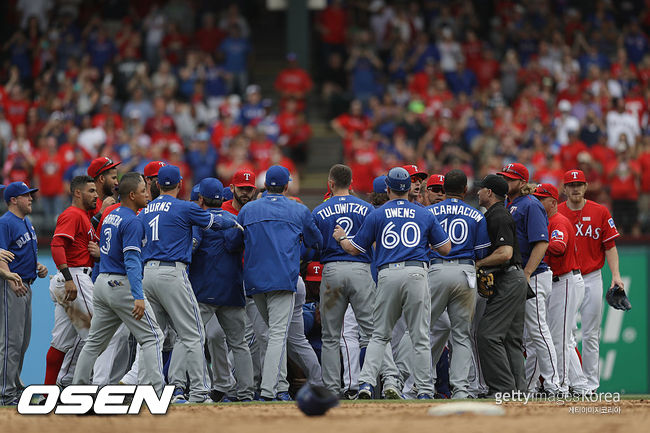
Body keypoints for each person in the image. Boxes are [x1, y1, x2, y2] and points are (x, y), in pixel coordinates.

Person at [334, 167, 451, 399]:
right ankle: (425, 390)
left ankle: (366, 384)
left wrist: (342, 237)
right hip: (416, 273)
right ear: (409, 188)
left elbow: (354, 249)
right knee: (420, 336)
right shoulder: (424, 213)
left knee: (379, 335)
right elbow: (446, 248)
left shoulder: (377, 214)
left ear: (388, 189)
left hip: (387, 274)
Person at [139, 164, 238, 403]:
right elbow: (214, 222)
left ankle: (150, 391)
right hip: (172, 272)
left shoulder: (144, 210)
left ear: (157, 184)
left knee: (152, 337)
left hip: (147, 273)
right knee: (193, 333)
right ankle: (199, 392)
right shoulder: (184, 207)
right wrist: (233, 222)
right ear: (180, 184)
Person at [312, 164, 403, 399]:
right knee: (374, 333)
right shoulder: (366, 208)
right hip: (361, 269)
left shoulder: (320, 209)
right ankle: (390, 379)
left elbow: (313, 245)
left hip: (332, 270)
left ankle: (332, 390)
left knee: (330, 337)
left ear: (330, 183)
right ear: (351, 183)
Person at [72, 173, 165, 393]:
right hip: (121, 284)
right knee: (154, 337)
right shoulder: (133, 221)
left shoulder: (111, 215)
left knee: (94, 343)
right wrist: (138, 295)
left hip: (102, 283)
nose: (147, 194)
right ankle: (157, 392)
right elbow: (131, 260)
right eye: (143, 191)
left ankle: (77, 390)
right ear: (132, 195)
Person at [237, 165, 323, 401]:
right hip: (283, 279)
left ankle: (280, 387)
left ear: (265, 186)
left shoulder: (248, 209)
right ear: (287, 186)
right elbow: (317, 241)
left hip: (253, 282)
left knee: (271, 335)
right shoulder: (298, 209)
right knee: (276, 335)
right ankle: (269, 390)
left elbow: (234, 241)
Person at [183, 177, 254, 402]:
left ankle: (178, 386)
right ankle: (245, 393)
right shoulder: (234, 220)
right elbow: (235, 245)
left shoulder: (197, 223)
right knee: (239, 344)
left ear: (200, 199)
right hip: (232, 290)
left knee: (189, 339)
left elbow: (190, 252)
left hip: (203, 291)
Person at [426, 169, 491, 399]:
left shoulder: (429, 212)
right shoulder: (476, 215)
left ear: (444, 189)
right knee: (462, 334)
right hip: (465, 272)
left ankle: (421, 385)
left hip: (436, 270)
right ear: (466, 189)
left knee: (423, 330)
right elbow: (482, 252)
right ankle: (461, 389)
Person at [45, 175, 114, 387]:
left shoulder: (83, 216)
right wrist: (68, 278)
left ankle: (48, 393)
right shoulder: (72, 214)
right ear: (77, 192)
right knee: (98, 337)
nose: (95, 195)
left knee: (61, 343)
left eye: (95, 191)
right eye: (91, 191)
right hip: (74, 276)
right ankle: (92, 387)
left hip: (73, 278)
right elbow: (57, 245)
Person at [558, 169, 623, 394]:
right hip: (567, 278)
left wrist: (616, 275)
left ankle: (590, 386)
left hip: (592, 277)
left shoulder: (600, 211)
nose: (575, 188)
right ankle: (568, 382)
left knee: (591, 334)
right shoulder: (557, 212)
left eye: (579, 184)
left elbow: (610, 246)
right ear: (564, 188)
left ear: (586, 187)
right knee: (565, 333)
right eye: (571, 185)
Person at [497, 163, 558, 394]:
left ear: (522, 182)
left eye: (510, 179)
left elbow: (542, 243)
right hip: (518, 276)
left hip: (534, 275)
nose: (505, 182)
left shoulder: (531, 204)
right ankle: (530, 386)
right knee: (526, 336)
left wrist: (527, 273)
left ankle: (554, 384)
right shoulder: (508, 203)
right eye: (503, 178)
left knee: (538, 330)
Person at [475, 174, 528, 395]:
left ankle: (503, 388)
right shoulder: (499, 213)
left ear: (489, 193)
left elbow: (505, 253)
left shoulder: (498, 215)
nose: (477, 192)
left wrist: (479, 264)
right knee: (510, 340)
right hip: (514, 278)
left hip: (508, 278)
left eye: (481, 189)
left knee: (487, 335)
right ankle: (519, 391)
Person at [532, 183, 587, 395]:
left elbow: (559, 247)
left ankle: (562, 386)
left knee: (560, 338)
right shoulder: (547, 221)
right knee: (564, 338)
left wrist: (538, 243)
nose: (537, 202)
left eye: (541, 199)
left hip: (564, 281)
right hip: (558, 281)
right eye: (536, 198)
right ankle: (580, 385)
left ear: (553, 202)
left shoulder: (558, 221)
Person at [0, 182, 48, 405]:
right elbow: (1, 256)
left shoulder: (25, 221)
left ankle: (14, 387)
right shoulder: (5, 222)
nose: (31, 199)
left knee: (22, 342)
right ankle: (5, 392)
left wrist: (37, 266)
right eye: (26, 195)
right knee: (10, 342)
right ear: (13, 200)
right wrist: (10, 279)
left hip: (26, 285)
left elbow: (19, 253)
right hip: (12, 286)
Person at [87, 157, 121, 228]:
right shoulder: (88, 203)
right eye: (113, 178)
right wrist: (101, 212)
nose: (116, 183)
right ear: (102, 178)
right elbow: (84, 231)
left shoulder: (104, 202)